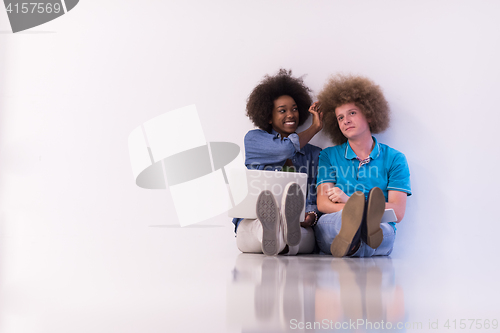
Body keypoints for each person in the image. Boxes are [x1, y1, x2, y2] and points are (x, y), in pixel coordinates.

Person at [314, 74, 411, 257]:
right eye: (340, 117)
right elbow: (323, 203)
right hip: (339, 220)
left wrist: (347, 199)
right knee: (334, 223)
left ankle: (354, 245)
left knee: (384, 231)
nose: (346, 121)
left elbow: (397, 212)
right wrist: (359, 212)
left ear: (370, 115)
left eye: (352, 113)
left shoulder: (395, 159)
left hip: (380, 224)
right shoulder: (328, 155)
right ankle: (359, 239)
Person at [233, 69, 323, 255]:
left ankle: (283, 232)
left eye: (295, 109)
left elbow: (314, 194)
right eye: (282, 111)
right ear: (268, 116)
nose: (291, 115)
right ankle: (275, 230)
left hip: (299, 226)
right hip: (253, 221)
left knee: (304, 236)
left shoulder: (314, 154)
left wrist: (311, 216)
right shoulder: (254, 140)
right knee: (262, 229)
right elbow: (285, 149)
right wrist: (315, 127)